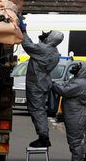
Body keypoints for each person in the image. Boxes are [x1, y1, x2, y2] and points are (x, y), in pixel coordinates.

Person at [19, 19, 64, 147]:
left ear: (51, 39)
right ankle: (42, 135)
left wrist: (23, 31)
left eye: (47, 34)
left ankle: (44, 137)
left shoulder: (44, 49)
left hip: (36, 83)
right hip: (42, 83)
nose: (44, 35)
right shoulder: (54, 52)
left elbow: (27, 45)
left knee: (37, 110)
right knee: (37, 110)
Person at [52, 61, 86, 161]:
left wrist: (53, 85)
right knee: (73, 141)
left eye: (78, 67)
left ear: (83, 70)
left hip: (77, 116)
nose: (75, 68)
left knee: (76, 141)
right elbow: (65, 85)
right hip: (73, 115)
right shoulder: (76, 80)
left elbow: (64, 91)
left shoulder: (80, 83)